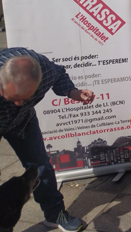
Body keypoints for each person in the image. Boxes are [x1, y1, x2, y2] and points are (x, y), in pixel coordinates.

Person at [0, 47, 94, 232]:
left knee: (40, 165)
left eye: (25, 97)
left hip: (23, 121)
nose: (18, 103)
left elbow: (60, 75)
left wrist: (74, 93)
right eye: (12, 97)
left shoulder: (44, 68)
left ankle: (54, 214)